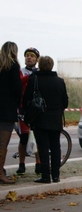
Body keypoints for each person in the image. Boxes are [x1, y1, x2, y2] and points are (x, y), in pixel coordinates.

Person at [23, 55, 68, 183]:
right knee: (55, 147)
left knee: (43, 147)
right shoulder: (60, 81)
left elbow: (27, 99)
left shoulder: (34, 79)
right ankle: (56, 175)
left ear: (40, 65)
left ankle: (45, 175)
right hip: (55, 119)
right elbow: (65, 101)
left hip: (39, 119)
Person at [16, 47, 41, 175]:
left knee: (37, 137)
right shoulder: (20, 71)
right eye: (27, 56)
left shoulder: (40, 72)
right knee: (24, 138)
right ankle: (21, 164)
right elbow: (18, 84)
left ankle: (38, 163)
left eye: (32, 56)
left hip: (36, 109)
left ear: (37, 59)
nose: (29, 57)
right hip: (23, 108)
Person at [0, 41, 22, 184]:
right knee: (2, 143)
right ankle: (0, 173)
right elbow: (17, 89)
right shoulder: (13, 66)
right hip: (6, 110)